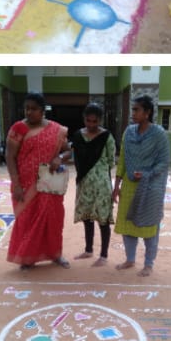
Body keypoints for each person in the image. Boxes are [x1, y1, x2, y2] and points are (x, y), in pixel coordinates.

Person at [5, 93, 72, 269]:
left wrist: (60, 158)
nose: (29, 112)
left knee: (53, 220)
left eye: (34, 109)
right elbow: (10, 156)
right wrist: (17, 184)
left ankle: (55, 254)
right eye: (27, 108)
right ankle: (26, 258)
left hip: (49, 183)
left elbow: (68, 150)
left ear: (43, 111)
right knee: (26, 220)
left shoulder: (56, 129)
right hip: (26, 185)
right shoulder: (18, 128)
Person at [113, 96, 170, 277]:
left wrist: (147, 174)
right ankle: (130, 259)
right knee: (128, 223)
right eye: (133, 109)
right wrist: (116, 185)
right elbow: (122, 159)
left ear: (147, 113)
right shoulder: (128, 132)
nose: (133, 113)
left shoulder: (159, 134)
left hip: (150, 187)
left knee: (149, 226)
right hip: (130, 185)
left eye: (137, 110)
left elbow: (163, 162)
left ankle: (148, 263)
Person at [70, 104, 117, 266]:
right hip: (84, 183)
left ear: (100, 120)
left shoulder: (107, 137)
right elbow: (73, 155)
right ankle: (88, 250)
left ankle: (103, 255)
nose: (91, 125)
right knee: (87, 217)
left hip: (102, 185)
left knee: (102, 219)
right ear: (84, 119)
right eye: (88, 121)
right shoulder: (77, 136)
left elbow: (111, 161)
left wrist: (98, 172)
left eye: (94, 122)